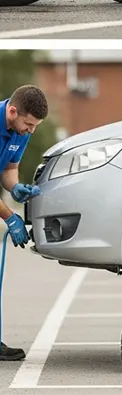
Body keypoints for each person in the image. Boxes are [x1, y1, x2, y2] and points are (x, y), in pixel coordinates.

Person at [0, 85, 47, 361]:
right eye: (29, 125)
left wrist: (16, 188)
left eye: (36, 126)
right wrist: (9, 217)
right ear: (13, 111)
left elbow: (8, 170)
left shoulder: (20, 130)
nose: (31, 131)